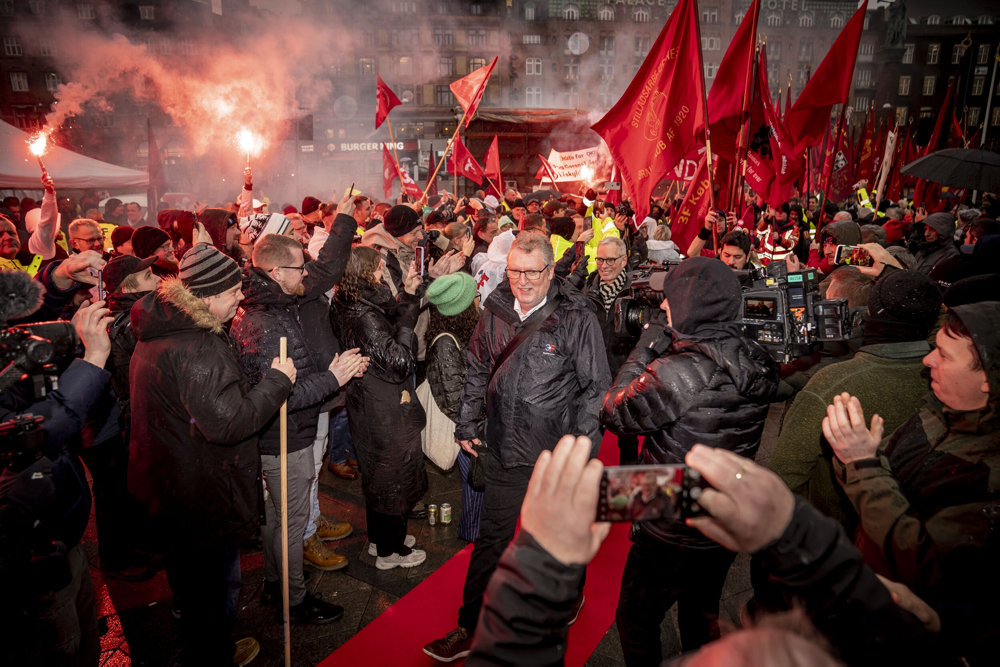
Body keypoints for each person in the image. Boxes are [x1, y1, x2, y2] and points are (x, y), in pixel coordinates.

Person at [466, 437, 944, 666]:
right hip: (697, 541)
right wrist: (793, 532)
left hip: (663, 543)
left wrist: (538, 565)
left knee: (641, 616)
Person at [423, 231, 611, 662]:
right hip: (505, 448)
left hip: (555, 453)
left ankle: (570, 594)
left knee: (560, 539)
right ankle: (470, 626)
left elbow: (595, 387)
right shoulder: (496, 308)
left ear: (550, 270)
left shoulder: (576, 316)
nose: (521, 281)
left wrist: (580, 449)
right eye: (513, 272)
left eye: (530, 272)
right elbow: (477, 367)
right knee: (492, 542)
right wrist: (468, 421)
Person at [601, 256, 778, 663]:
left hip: (670, 515)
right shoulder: (753, 356)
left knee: (636, 618)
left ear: (691, 306)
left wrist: (644, 348)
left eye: (670, 298)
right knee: (701, 614)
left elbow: (614, 413)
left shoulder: (677, 372)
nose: (663, 305)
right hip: (722, 506)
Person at [128, 244, 297, 666]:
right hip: (199, 489)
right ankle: (212, 654)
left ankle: (201, 644)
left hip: (171, 479)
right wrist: (278, 381)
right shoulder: (198, 344)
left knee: (189, 583)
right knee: (215, 584)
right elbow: (228, 423)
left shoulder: (160, 328)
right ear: (206, 296)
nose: (241, 298)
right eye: (233, 292)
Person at [822, 301, 1000, 664]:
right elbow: (879, 474)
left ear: (987, 380)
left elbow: (925, 567)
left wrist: (861, 463)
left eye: (945, 355)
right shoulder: (937, 412)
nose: (927, 360)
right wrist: (852, 457)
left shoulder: (988, 470)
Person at [230, 228, 363, 621]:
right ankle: (295, 600)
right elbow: (279, 396)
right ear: (274, 271)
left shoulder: (279, 305)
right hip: (284, 439)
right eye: (298, 267)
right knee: (291, 524)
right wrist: (334, 378)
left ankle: (277, 585)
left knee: (278, 519)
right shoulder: (264, 322)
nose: (306, 273)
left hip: (289, 435)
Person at [769, 271, 942, 525]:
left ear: (862, 313)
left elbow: (783, 479)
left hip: (833, 529)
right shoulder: (944, 375)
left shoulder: (833, 384)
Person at [331, 246, 429, 570]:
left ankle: (379, 539)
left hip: (366, 397)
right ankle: (391, 550)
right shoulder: (365, 315)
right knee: (393, 475)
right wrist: (407, 326)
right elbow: (399, 363)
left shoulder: (346, 299)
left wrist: (409, 296)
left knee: (376, 474)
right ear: (363, 273)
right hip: (382, 403)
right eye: (377, 269)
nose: (381, 274)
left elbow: (387, 319)